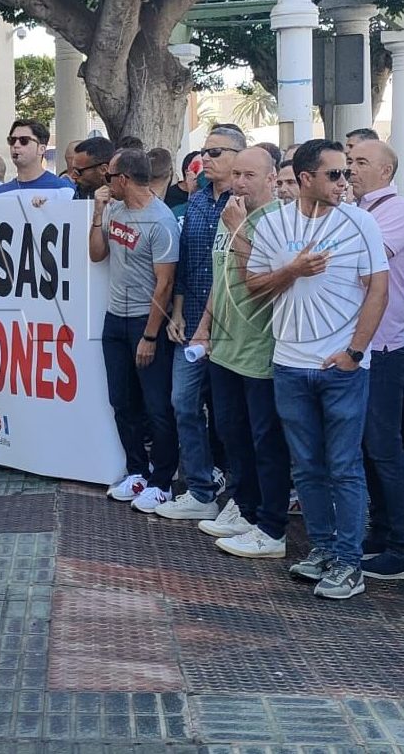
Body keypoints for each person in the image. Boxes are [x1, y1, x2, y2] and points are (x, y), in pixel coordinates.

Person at [243, 139, 389, 600]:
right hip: (289, 364)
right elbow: (254, 288)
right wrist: (293, 270)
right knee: (306, 466)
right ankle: (324, 549)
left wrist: (355, 353)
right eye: (334, 175)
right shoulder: (273, 225)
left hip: (341, 368)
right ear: (305, 179)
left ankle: (350, 561)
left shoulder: (361, 222)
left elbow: (378, 291)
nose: (344, 182)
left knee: (344, 466)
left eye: (345, 173)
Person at [193, 145, 294, 558]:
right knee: (231, 433)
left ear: (272, 179)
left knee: (264, 442)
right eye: (236, 174)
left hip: (261, 346)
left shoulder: (279, 221)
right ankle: (245, 508)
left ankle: (271, 525)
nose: (239, 182)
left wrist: (239, 228)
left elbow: (267, 280)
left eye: (249, 175)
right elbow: (222, 279)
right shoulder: (230, 213)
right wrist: (204, 330)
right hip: (225, 346)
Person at [149, 127, 245, 520]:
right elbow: (187, 265)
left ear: (239, 155)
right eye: (203, 151)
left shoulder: (245, 203)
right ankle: (200, 490)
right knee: (183, 404)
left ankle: (241, 500)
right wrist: (177, 311)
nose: (205, 158)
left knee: (231, 417)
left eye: (216, 151)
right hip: (190, 326)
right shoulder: (198, 200)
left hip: (235, 327)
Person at [346, 140, 404, 580]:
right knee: (367, 445)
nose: (351, 170)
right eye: (349, 161)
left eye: (360, 163)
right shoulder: (356, 210)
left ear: (387, 171)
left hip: (385, 347)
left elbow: (362, 264)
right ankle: (382, 531)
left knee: (383, 444)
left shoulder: (397, 211)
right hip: (360, 345)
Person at [92, 148, 182, 509]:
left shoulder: (161, 222)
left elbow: (165, 283)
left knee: (157, 405)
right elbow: (97, 254)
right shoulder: (114, 209)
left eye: (109, 176)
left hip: (147, 321)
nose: (105, 182)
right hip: (115, 317)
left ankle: (163, 480)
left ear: (124, 179)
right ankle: (137, 472)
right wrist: (98, 213)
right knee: (121, 400)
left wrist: (149, 335)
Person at [0, 120, 75, 194]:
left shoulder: (62, 189)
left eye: (24, 140)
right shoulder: (1, 192)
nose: (16, 145)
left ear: (41, 149)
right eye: (12, 140)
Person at [69, 136, 114, 202]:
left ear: (103, 169)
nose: (72, 176)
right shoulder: (82, 191)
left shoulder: (126, 197)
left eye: (78, 171)